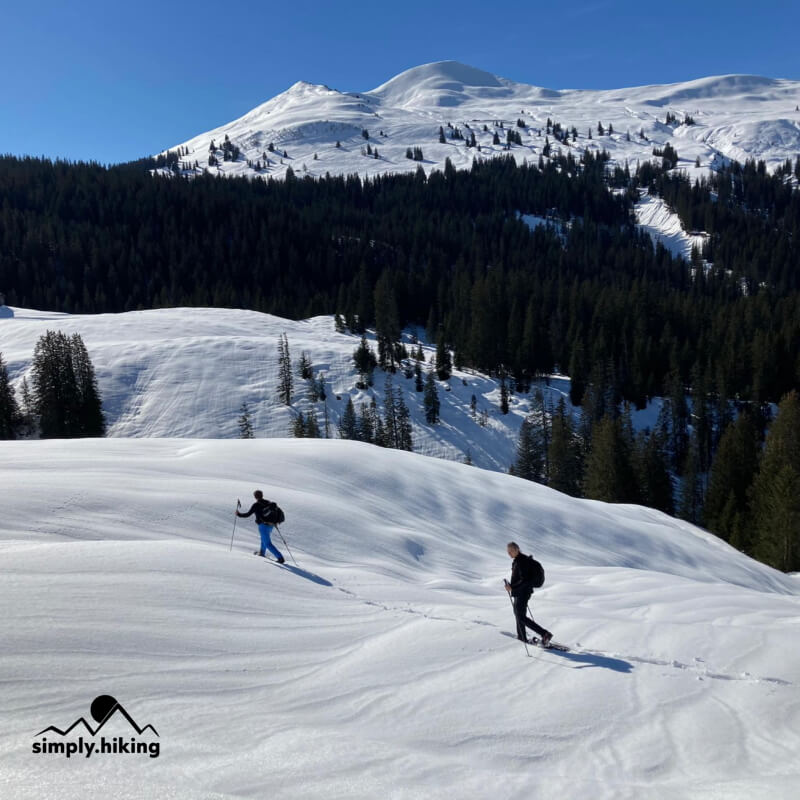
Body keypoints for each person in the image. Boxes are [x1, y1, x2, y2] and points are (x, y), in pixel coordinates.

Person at [504, 541, 552, 646]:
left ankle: (545, 634)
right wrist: (512, 587)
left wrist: (512, 587)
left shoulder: (522, 561)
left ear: (517, 549)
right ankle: (521, 637)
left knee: (520, 616)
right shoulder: (518, 560)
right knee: (519, 615)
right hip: (519, 592)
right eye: (508, 552)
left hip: (523, 592)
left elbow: (525, 580)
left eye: (511, 551)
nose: (509, 554)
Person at [236, 490, 285, 563]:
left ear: (255, 496)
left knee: (267, 543)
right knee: (263, 539)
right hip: (271, 525)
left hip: (263, 526)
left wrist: (238, 514)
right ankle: (262, 553)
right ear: (262, 495)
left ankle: (280, 558)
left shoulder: (256, 505)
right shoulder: (268, 502)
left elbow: (248, 514)